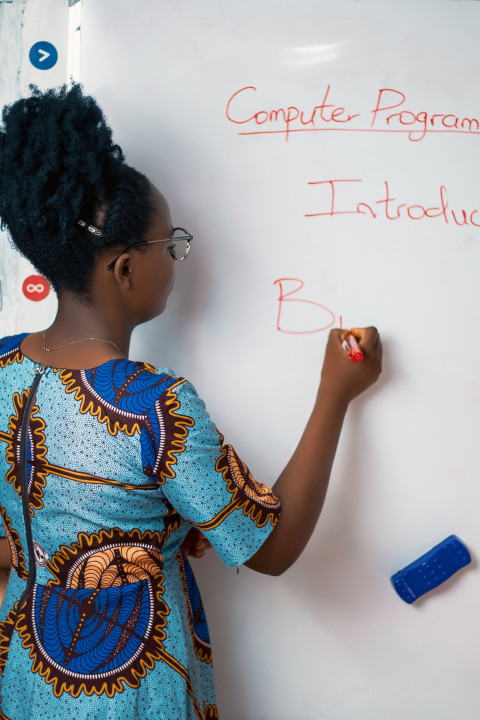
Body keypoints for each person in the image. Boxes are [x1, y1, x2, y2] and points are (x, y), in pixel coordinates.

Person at [0, 84, 382, 720]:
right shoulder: (153, 404)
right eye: (169, 245)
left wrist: (154, 528)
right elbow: (274, 548)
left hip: (22, 684)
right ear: (124, 269)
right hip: (129, 698)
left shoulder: (4, 365)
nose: (177, 262)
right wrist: (335, 393)